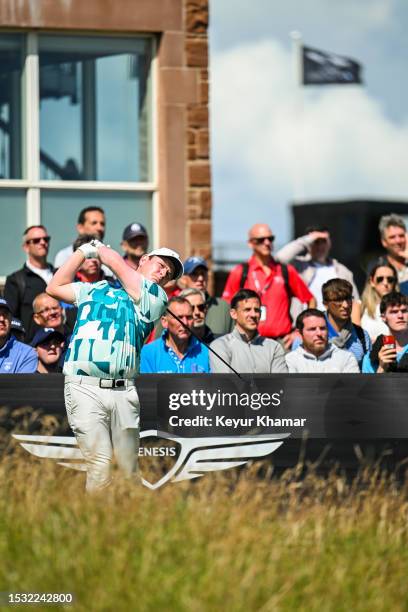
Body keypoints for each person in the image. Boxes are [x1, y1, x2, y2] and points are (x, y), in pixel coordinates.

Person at [46, 241, 183, 492]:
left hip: (124, 392)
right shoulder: (95, 290)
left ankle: (119, 526)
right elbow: (54, 287)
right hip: (84, 386)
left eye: (169, 274)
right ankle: (93, 529)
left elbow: (127, 278)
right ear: (143, 259)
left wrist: (108, 256)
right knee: (100, 463)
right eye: (161, 265)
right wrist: (83, 252)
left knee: (128, 471)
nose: (164, 273)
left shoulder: (156, 299)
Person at [222, 223, 314, 349]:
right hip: (248, 343)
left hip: (281, 343)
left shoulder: (285, 270)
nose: (267, 243)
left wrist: (299, 331)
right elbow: (226, 306)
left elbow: (310, 300)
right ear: (250, 243)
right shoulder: (240, 272)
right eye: (261, 240)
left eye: (270, 239)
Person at [276, 225, 360, 320]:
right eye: (316, 242)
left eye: (323, 241)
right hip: (306, 327)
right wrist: (308, 239)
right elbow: (280, 258)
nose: (320, 246)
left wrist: (356, 331)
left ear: (329, 243)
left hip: (339, 329)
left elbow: (355, 302)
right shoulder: (298, 266)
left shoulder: (343, 271)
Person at [209, 289, 287, 374]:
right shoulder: (220, 346)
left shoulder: (274, 347)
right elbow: (225, 384)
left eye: (256, 310)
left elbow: (280, 384)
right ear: (233, 314)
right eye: (247, 309)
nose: (253, 315)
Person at [4, 225, 55, 341]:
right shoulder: (16, 280)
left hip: (63, 346)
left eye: (46, 239)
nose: (42, 242)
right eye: (36, 240)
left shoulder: (59, 274)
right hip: (32, 349)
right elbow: (10, 318)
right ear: (26, 247)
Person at [140, 296, 210, 374]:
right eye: (179, 318)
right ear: (164, 322)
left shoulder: (205, 352)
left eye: (189, 317)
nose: (185, 323)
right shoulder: (149, 352)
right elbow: (147, 385)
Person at [285, 309, 359, 373]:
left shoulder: (346, 359)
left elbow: (353, 389)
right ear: (300, 333)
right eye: (312, 329)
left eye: (322, 328)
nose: (319, 333)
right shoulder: (289, 361)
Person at [321, 278, 370, 369]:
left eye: (348, 299)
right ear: (325, 304)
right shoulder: (311, 334)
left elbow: (368, 372)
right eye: (338, 300)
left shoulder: (362, 336)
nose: (346, 305)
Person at [362, 292, 408, 373]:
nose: (400, 315)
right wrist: (381, 368)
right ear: (383, 317)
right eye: (394, 312)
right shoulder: (370, 358)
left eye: (404, 311)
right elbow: (369, 386)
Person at [370, 214, 408, 295]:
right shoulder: (377, 265)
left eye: (401, 236)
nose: (398, 241)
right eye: (392, 237)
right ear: (384, 242)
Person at [360, 262, 398, 341]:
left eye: (390, 279)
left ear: (394, 282)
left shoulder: (402, 308)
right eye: (380, 279)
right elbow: (356, 338)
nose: (385, 283)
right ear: (372, 281)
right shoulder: (360, 305)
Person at [0, 298, 38, 374]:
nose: (1, 318)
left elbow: (22, 385)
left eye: (5, 314)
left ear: (11, 319)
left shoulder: (26, 354)